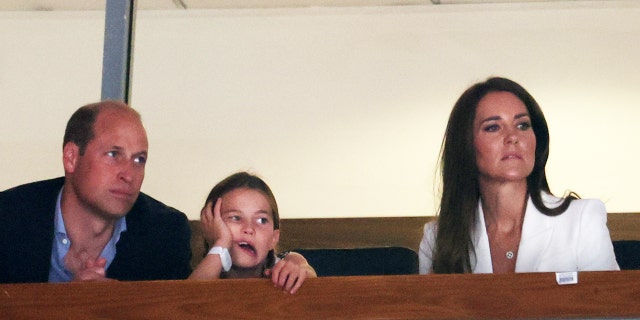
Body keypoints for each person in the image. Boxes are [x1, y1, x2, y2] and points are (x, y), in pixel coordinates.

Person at [419, 77, 619, 274]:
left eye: (523, 125)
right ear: (465, 144)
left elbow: (610, 304)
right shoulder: (437, 238)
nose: (513, 137)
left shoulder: (583, 219)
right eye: (493, 127)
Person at [0, 101, 192, 283]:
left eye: (139, 159)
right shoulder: (7, 218)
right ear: (71, 158)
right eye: (113, 154)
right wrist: (68, 303)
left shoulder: (165, 233)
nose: (129, 175)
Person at [188, 172, 317, 294]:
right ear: (211, 227)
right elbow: (187, 298)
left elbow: (308, 274)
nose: (249, 229)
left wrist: (297, 273)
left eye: (261, 220)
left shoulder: (289, 260)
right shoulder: (204, 272)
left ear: (274, 238)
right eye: (235, 218)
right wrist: (221, 242)